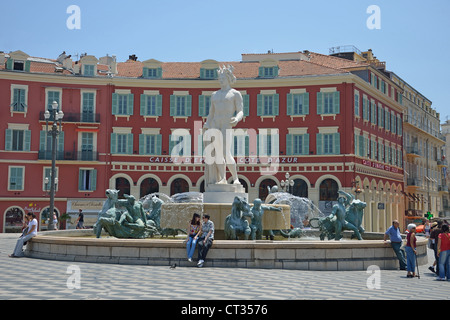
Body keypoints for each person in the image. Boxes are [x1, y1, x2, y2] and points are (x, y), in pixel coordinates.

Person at [203, 65, 244, 186]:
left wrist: (237, 118)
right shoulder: (214, 94)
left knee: (226, 152)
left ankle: (235, 178)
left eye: (222, 78)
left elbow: (241, 111)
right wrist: (207, 124)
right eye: (219, 78)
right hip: (215, 124)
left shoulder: (235, 94)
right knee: (217, 153)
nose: (220, 80)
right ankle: (222, 178)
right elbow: (211, 113)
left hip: (227, 123)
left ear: (228, 78)